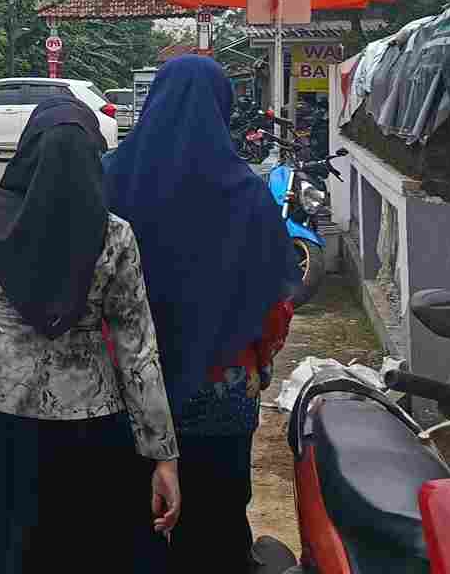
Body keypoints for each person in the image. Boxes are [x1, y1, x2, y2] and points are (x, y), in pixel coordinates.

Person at [0, 98, 180, 574]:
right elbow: (138, 352)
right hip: (91, 422)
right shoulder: (115, 235)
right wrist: (163, 456)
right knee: (81, 548)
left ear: (25, 150)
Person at [103, 55, 300, 573]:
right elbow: (273, 302)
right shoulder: (246, 193)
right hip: (220, 388)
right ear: (221, 107)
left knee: (133, 515)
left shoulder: (111, 177)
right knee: (216, 516)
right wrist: (259, 361)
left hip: (127, 388)